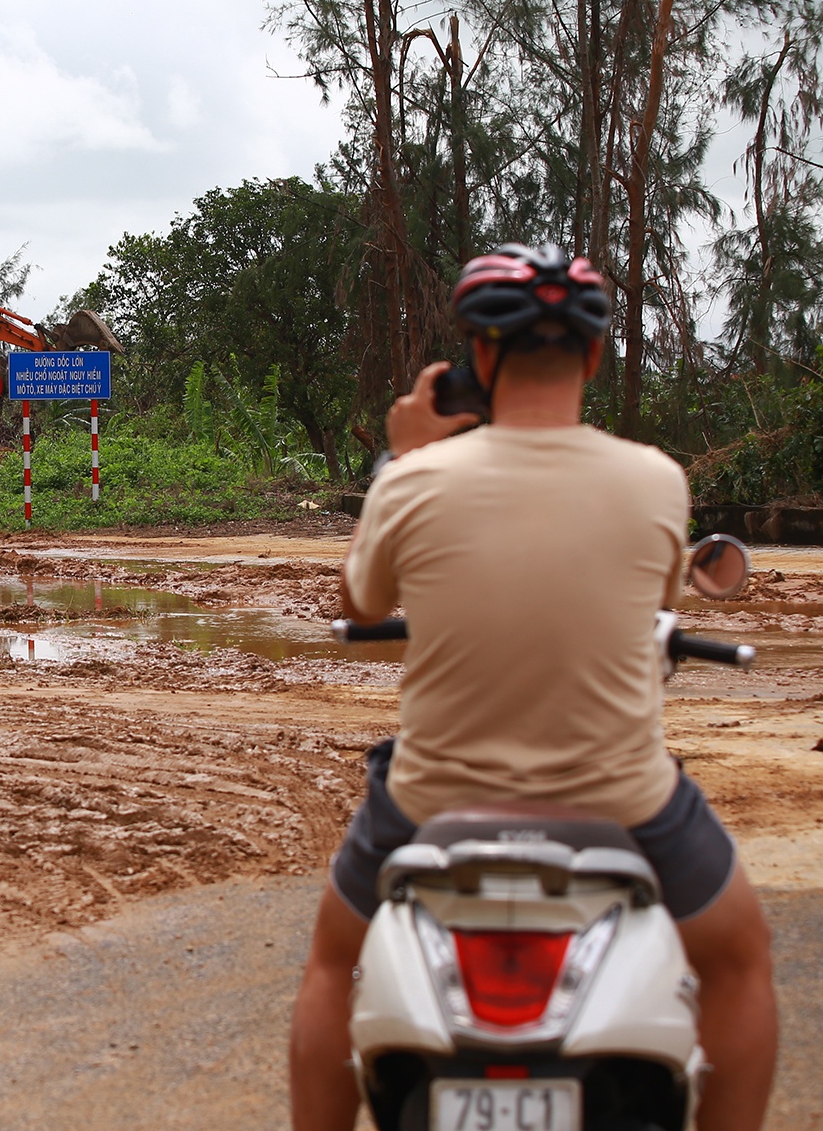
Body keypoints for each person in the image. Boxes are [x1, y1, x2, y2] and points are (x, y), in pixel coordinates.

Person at [289, 245, 778, 1131]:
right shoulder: (657, 480)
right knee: (741, 962)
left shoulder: (415, 480)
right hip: (623, 797)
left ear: (478, 358)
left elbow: (358, 601)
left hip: (432, 796)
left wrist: (401, 458)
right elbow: (660, 595)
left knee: (331, 965)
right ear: (594, 356)